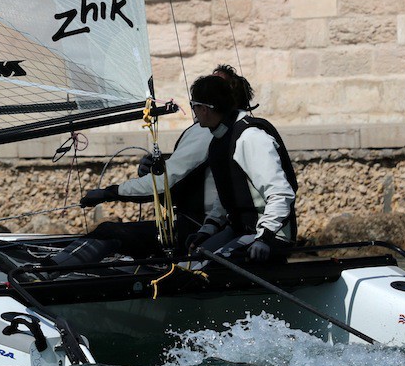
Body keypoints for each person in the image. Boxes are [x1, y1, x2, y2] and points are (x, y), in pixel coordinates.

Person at [49, 65, 257, 270]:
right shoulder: (234, 127)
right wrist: (153, 169)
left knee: (108, 231)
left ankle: (46, 274)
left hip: (198, 230)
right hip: (207, 226)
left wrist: (108, 192)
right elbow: (188, 178)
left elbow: (164, 183)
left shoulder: (208, 132)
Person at [184, 70, 299, 264]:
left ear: (205, 109)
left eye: (193, 106)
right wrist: (207, 230)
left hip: (269, 233)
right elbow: (227, 195)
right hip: (240, 229)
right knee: (190, 262)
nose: (193, 112)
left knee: (208, 267)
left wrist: (265, 237)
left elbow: (281, 193)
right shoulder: (220, 140)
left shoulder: (250, 137)